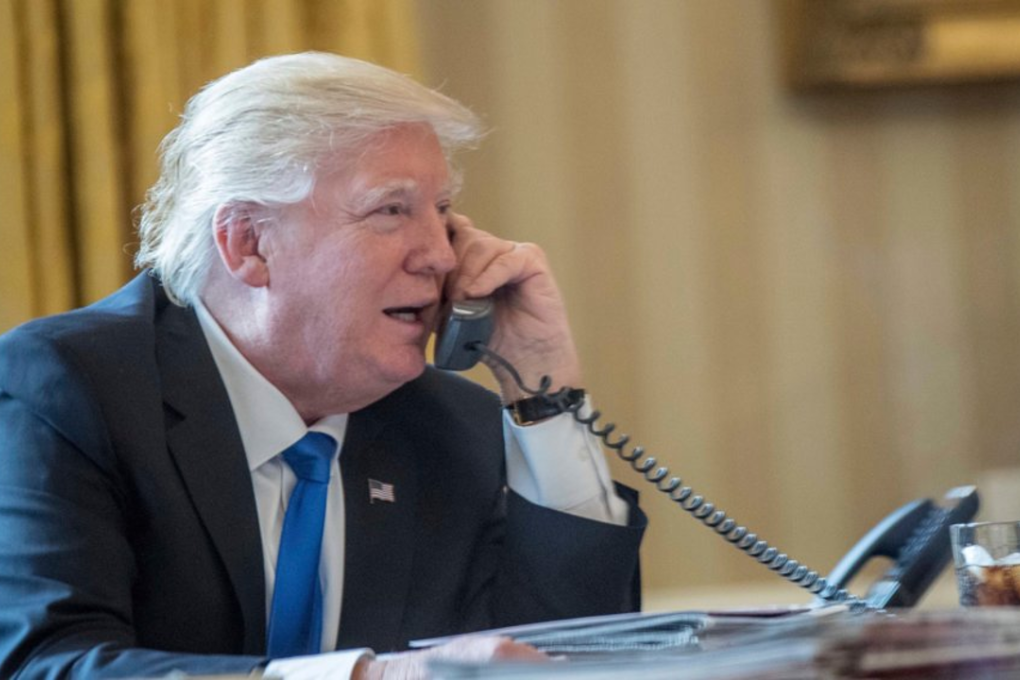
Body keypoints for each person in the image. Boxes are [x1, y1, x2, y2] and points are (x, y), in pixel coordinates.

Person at [0, 52, 645, 679]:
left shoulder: (446, 422)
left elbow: (571, 659)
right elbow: (44, 664)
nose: (442, 257)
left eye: (442, 211)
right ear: (250, 244)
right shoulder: (68, 387)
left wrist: (544, 393)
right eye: (392, 210)